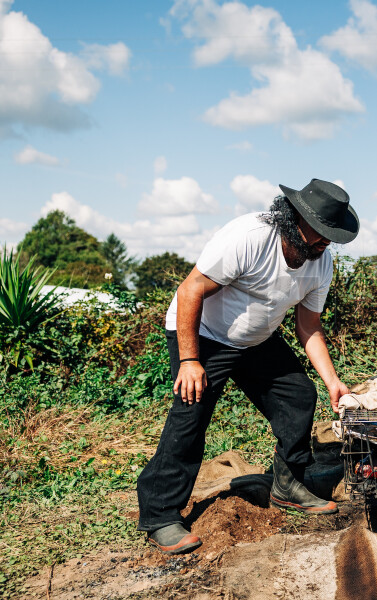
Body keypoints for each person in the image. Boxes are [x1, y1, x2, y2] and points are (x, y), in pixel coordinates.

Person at [136, 179, 358, 554]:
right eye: (319, 233)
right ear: (294, 219)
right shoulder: (249, 237)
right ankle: (160, 515)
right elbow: (190, 291)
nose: (324, 242)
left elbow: (308, 326)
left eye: (330, 236)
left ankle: (287, 485)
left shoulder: (321, 263)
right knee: (192, 413)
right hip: (203, 332)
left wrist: (333, 381)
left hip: (255, 340)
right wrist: (190, 361)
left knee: (298, 395)